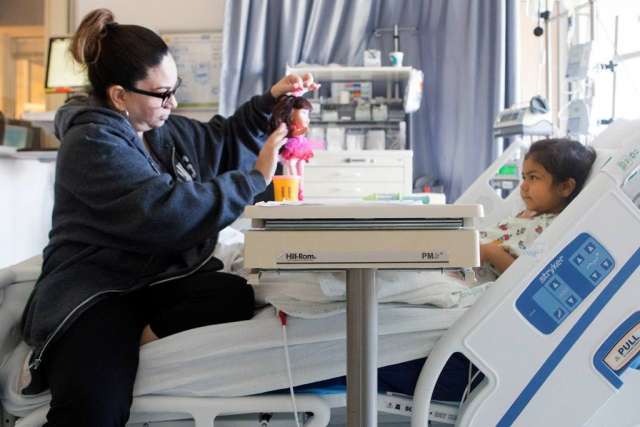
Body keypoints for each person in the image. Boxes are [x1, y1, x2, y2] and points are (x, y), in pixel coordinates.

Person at [19, 8, 318, 426]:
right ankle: (113, 342)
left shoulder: (159, 129)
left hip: (155, 280)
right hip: (97, 287)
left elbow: (221, 140)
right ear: (119, 95)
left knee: (232, 293)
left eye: (174, 89)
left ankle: (141, 336)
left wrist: (272, 100)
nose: (172, 102)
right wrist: (255, 179)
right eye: (162, 94)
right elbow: (164, 211)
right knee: (95, 412)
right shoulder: (90, 144)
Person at [477, 137, 596, 280]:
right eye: (524, 177)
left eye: (533, 177)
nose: (523, 186)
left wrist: (491, 252)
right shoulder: (529, 214)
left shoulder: (550, 228)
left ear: (565, 187)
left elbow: (524, 277)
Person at [270, 94, 315, 200]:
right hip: (293, 147)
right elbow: (295, 133)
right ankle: (296, 186)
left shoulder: (298, 126)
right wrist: (303, 130)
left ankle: (301, 188)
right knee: (290, 164)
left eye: (307, 115)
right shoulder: (291, 127)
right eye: (303, 113)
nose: (307, 119)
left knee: (300, 166)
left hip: (301, 148)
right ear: (292, 113)